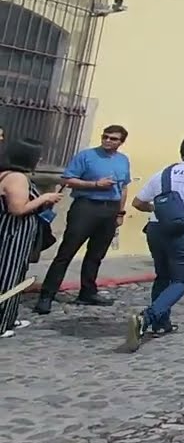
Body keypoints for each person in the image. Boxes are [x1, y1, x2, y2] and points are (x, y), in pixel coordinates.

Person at [125, 135, 184, 351]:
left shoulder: (163, 173)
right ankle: (147, 318)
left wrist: (160, 210)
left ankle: (161, 323)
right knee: (182, 280)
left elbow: (138, 202)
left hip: (156, 229)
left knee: (163, 275)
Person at [34, 124, 131, 314]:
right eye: (106, 136)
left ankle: (88, 291)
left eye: (113, 138)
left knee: (96, 254)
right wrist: (95, 184)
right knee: (66, 252)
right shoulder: (86, 156)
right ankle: (47, 295)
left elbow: (124, 187)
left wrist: (120, 213)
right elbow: (68, 179)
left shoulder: (123, 160)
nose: (108, 141)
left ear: (121, 142)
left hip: (109, 209)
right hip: (86, 206)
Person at [0, 138, 64, 338]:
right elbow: (17, 209)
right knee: (8, 276)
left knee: (16, 274)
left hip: (16, 234)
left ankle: (10, 317)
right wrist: (44, 198)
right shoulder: (17, 178)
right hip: (12, 234)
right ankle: (2, 323)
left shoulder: (8, 174)